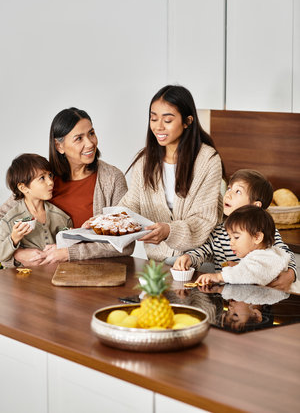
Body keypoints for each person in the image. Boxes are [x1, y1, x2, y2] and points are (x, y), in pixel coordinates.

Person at [0, 108, 133, 266]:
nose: (90, 143)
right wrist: (17, 253)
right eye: (79, 138)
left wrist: (69, 253)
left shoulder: (111, 179)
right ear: (59, 146)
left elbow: (125, 243)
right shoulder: (43, 179)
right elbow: (3, 219)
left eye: (91, 133)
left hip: (96, 273)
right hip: (41, 277)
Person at [119, 85, 224, 263]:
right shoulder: (144, 161)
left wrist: (169, 231)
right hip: (156, 261)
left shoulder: (208, 160)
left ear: (187, 121)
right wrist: (101, 222)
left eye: (167, 120)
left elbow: (204, 218)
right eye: (153, 119)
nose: (158, 127)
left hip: (198, 260)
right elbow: (131, 204)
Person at [173, 169, 297, 291]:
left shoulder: (266, 230)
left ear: (255, 206)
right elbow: (202, 251)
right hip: (228, 298)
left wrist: (291, 274)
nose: (228, 194)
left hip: (260, 299)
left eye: (238, 191)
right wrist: (188, 257)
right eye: (229, 188)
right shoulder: (218, 231)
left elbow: (285, 254)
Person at [196, 205, 300, 292]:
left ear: (257, 237)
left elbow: (250, 272)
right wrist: (239, 266)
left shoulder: (266, 257)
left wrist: (218, 277)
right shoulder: (262, 256)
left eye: (236, 237)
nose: (231, 242)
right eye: (230, 237)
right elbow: (254, 271)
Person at [0, 154, 72, 268]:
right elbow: (2, 255)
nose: (50, 182)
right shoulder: (9, 221)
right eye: (42, 178)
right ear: (23, 188)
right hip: (23, 281)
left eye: (50, 175)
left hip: (56, 276)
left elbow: (68, 249)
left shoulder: (62, 217)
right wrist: (13, 239)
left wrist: (71, 237)